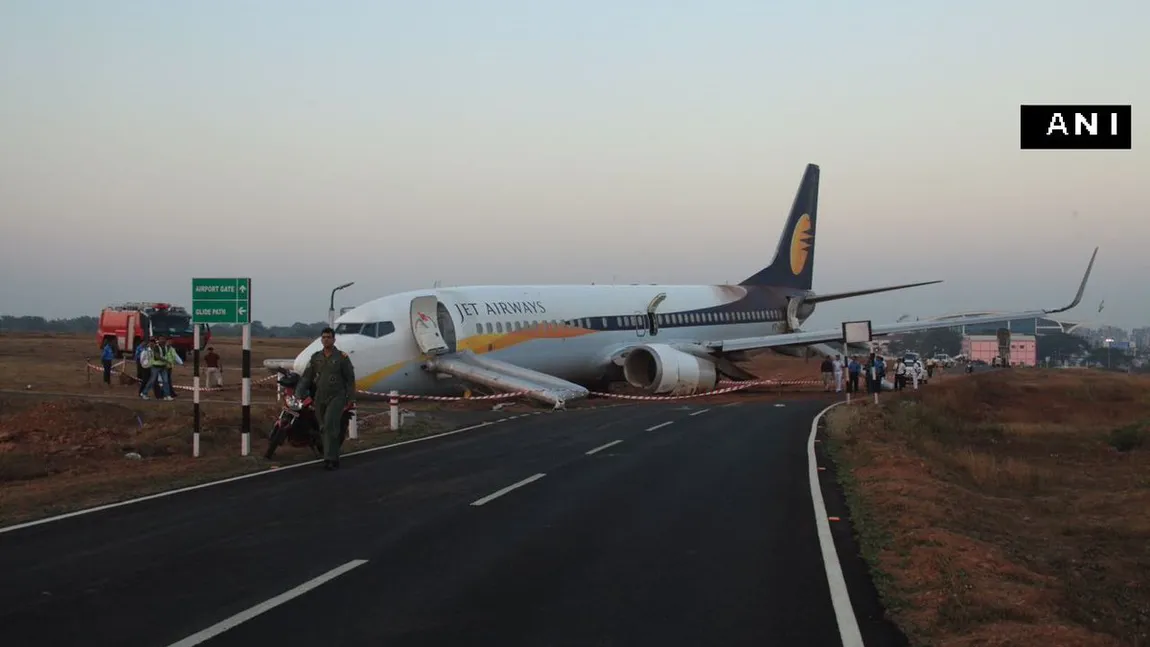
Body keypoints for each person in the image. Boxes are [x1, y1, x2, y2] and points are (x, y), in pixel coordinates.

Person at [297, 327, 356, 470]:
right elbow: (307, 377)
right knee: (323, 427)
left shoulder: (342, 358)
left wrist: (350, 399)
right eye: (323, 337)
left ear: (334, 339)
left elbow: (350, 379)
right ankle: (333, 456)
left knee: (330, 424)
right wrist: (300, 393)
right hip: (320, 397)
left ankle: (329, 459)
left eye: (328, 337)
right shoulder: (316, 357)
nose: (326, 340)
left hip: (336, 396)